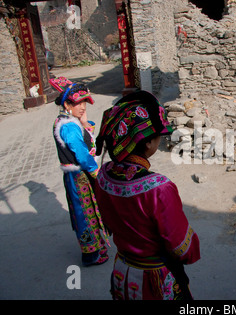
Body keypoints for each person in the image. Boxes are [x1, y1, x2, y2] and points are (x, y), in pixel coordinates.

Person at [94, 90, 201, 300]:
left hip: (122, 272)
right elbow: (183, 248)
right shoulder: (158, 188)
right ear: (147, 143)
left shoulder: (104, 176)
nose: (160, 139)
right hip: (154, 280)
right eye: (158, 136)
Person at [50, 76, 109, 267]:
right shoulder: (67, 126)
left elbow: (87, 138)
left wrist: (83, 121)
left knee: (88, 211)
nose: (82, 106)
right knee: (84, 213)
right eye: (77, 103)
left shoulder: (70, 121)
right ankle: (90, 255)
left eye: (84, 102)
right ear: (67, 104)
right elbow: (83, 155)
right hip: (79, 177)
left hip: (80, 175)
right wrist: (97, 173)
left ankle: (96, 246)